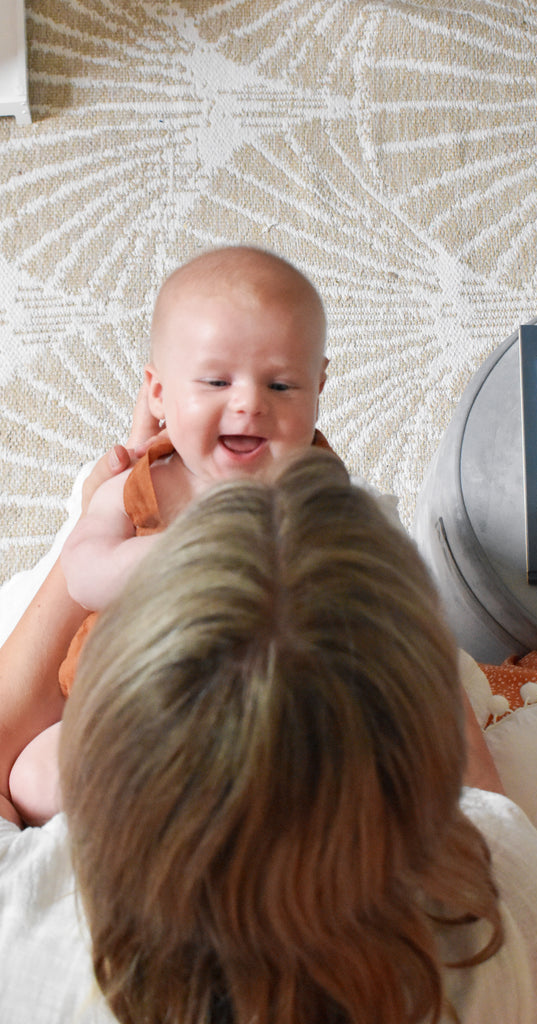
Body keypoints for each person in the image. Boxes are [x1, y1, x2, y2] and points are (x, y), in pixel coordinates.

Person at [0, 449, 537, 1024]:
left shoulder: (28, 930)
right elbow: (483, 794)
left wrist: (81, 556)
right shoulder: (502, 908)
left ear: (105, 762)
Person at [6, 244, 330, 825]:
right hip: (129, 713)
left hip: (261, 718)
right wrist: (190, 552)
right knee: (35, 777)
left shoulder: (319, 498)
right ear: (158, 394)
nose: (249, 403)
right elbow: (82, 572)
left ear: (320, 385)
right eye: (215, 381)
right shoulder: (139, 487)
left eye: (281, 387)